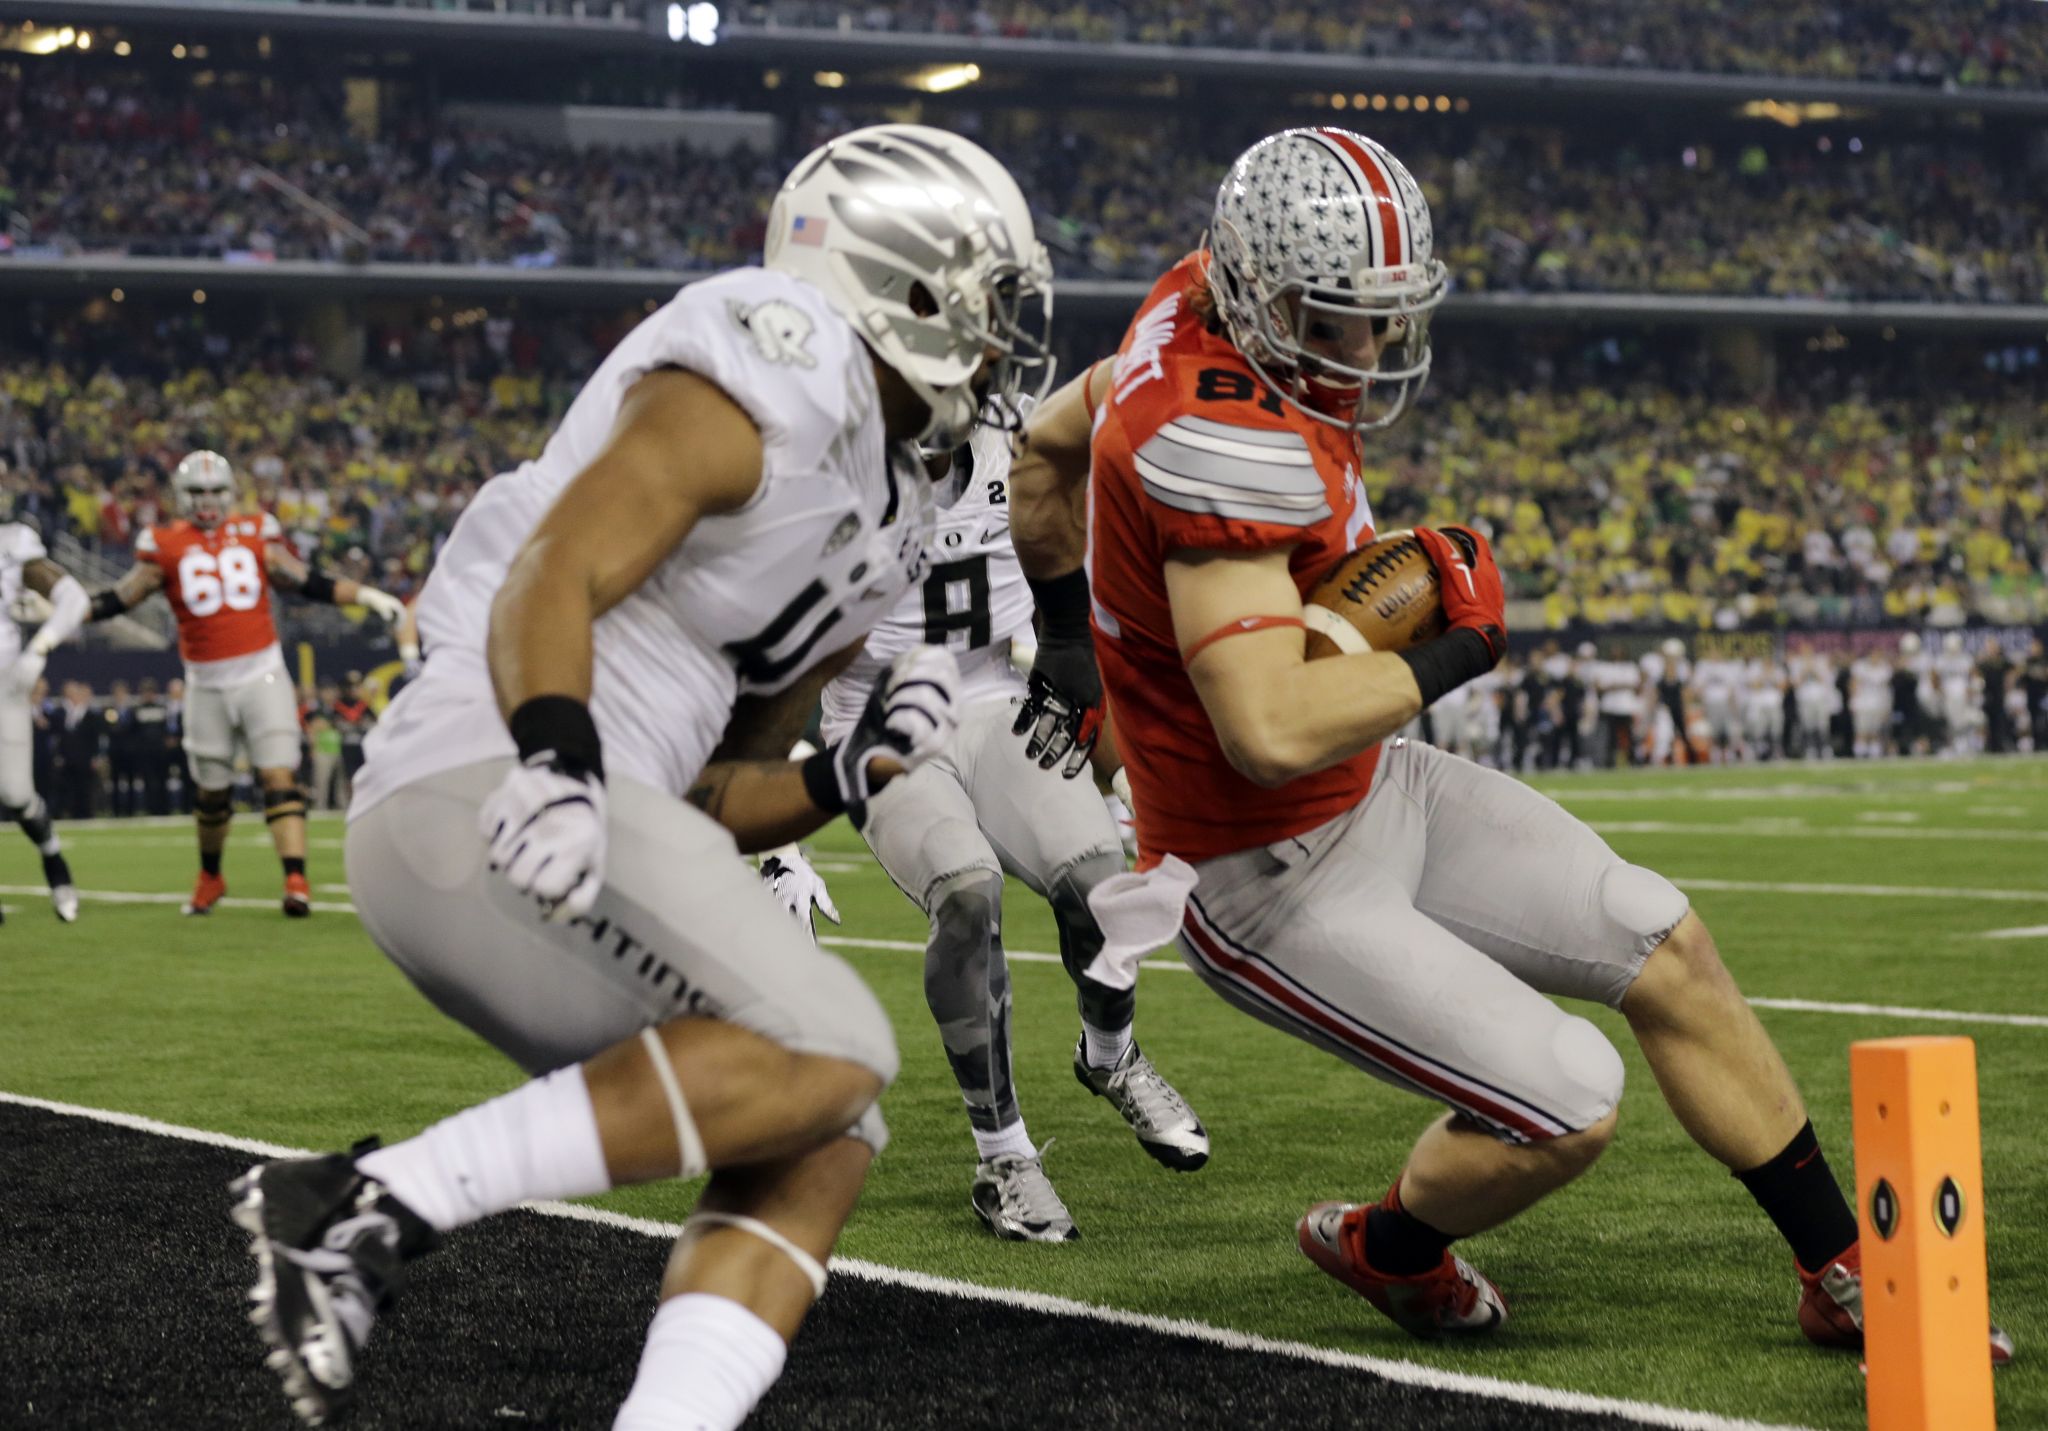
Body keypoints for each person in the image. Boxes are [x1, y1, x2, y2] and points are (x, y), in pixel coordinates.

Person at [1005, 126, 2008, 1362]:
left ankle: (1842, 1268)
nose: (1366, 350)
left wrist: (1065, 637)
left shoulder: (1186, 304)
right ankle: (1387, 1248)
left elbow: (1045, 447)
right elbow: (1264, 732)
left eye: (1378, 316)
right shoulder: (1221, 442)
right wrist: (1452, 651)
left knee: (1664, 940)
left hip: (1377, 791)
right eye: (1334, 321)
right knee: (1568, 1105)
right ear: (1261, 294)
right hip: (1259, 870)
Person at [225, 124, 1051, 1430]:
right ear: (901, 282)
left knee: (825, 1127)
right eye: (993, 302)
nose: (1010, 341)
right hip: (490, 768)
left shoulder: (901, 503)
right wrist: (557, 758)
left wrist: (846, 767)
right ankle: (361, 1203)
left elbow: (722, 793)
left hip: (588, 814)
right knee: (835, 1040)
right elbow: (555, 570)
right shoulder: (783, 354)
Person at [801, 411, 1206, 1244]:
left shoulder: (1024, 450)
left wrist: (1121, 766)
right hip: (879, 722)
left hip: (998, 697)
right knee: (965, 894)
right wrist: (779, 842)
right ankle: (1005, 1157)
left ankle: (1111, 1053)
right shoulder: (822, 473)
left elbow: (1074, 617)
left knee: (1102, 887)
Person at [85, 452, 407, 916]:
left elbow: (305, 581)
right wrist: (71, 610)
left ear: (230, 494)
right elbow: (122, 596)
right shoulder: (163, 542)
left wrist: (366, 595)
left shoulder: (257, 532)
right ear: (182, 496)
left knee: (279, 773)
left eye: (216, 492)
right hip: (205, 681)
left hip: (261, 671)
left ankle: (296, 879)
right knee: (212, 790)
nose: (208, 501)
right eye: (198, 493)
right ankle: (211, 875)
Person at [0, 509, 85, 920]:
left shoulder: (13, 542)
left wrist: (39, 647)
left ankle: (55, 863)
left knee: (16, 795)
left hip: (4, 686)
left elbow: (74, 599)